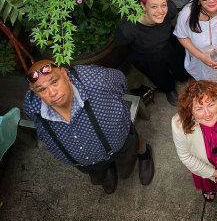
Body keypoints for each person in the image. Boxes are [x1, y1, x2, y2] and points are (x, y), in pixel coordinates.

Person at [22, 61, 155, 194]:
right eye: (42, 89)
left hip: (120, 143)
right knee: (99, 176)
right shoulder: (31, 105)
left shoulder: (94, 79)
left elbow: (121, 81)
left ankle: (144, 154)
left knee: (131, 153)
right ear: (34, 91)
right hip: (87, 164)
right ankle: (108, 169)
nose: (52, 93)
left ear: (64, 74)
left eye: (54, 82)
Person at [114, 0, 190, 105]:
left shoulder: (169, 9)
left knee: (180, 66)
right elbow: (120, 44)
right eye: (154, 6)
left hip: (169, 43)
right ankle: (168, 89)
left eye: (163, 5)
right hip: (146, 54)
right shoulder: (127, 29)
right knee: (159, 75)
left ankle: (182, 76)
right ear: (143, 6)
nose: (160, 11)